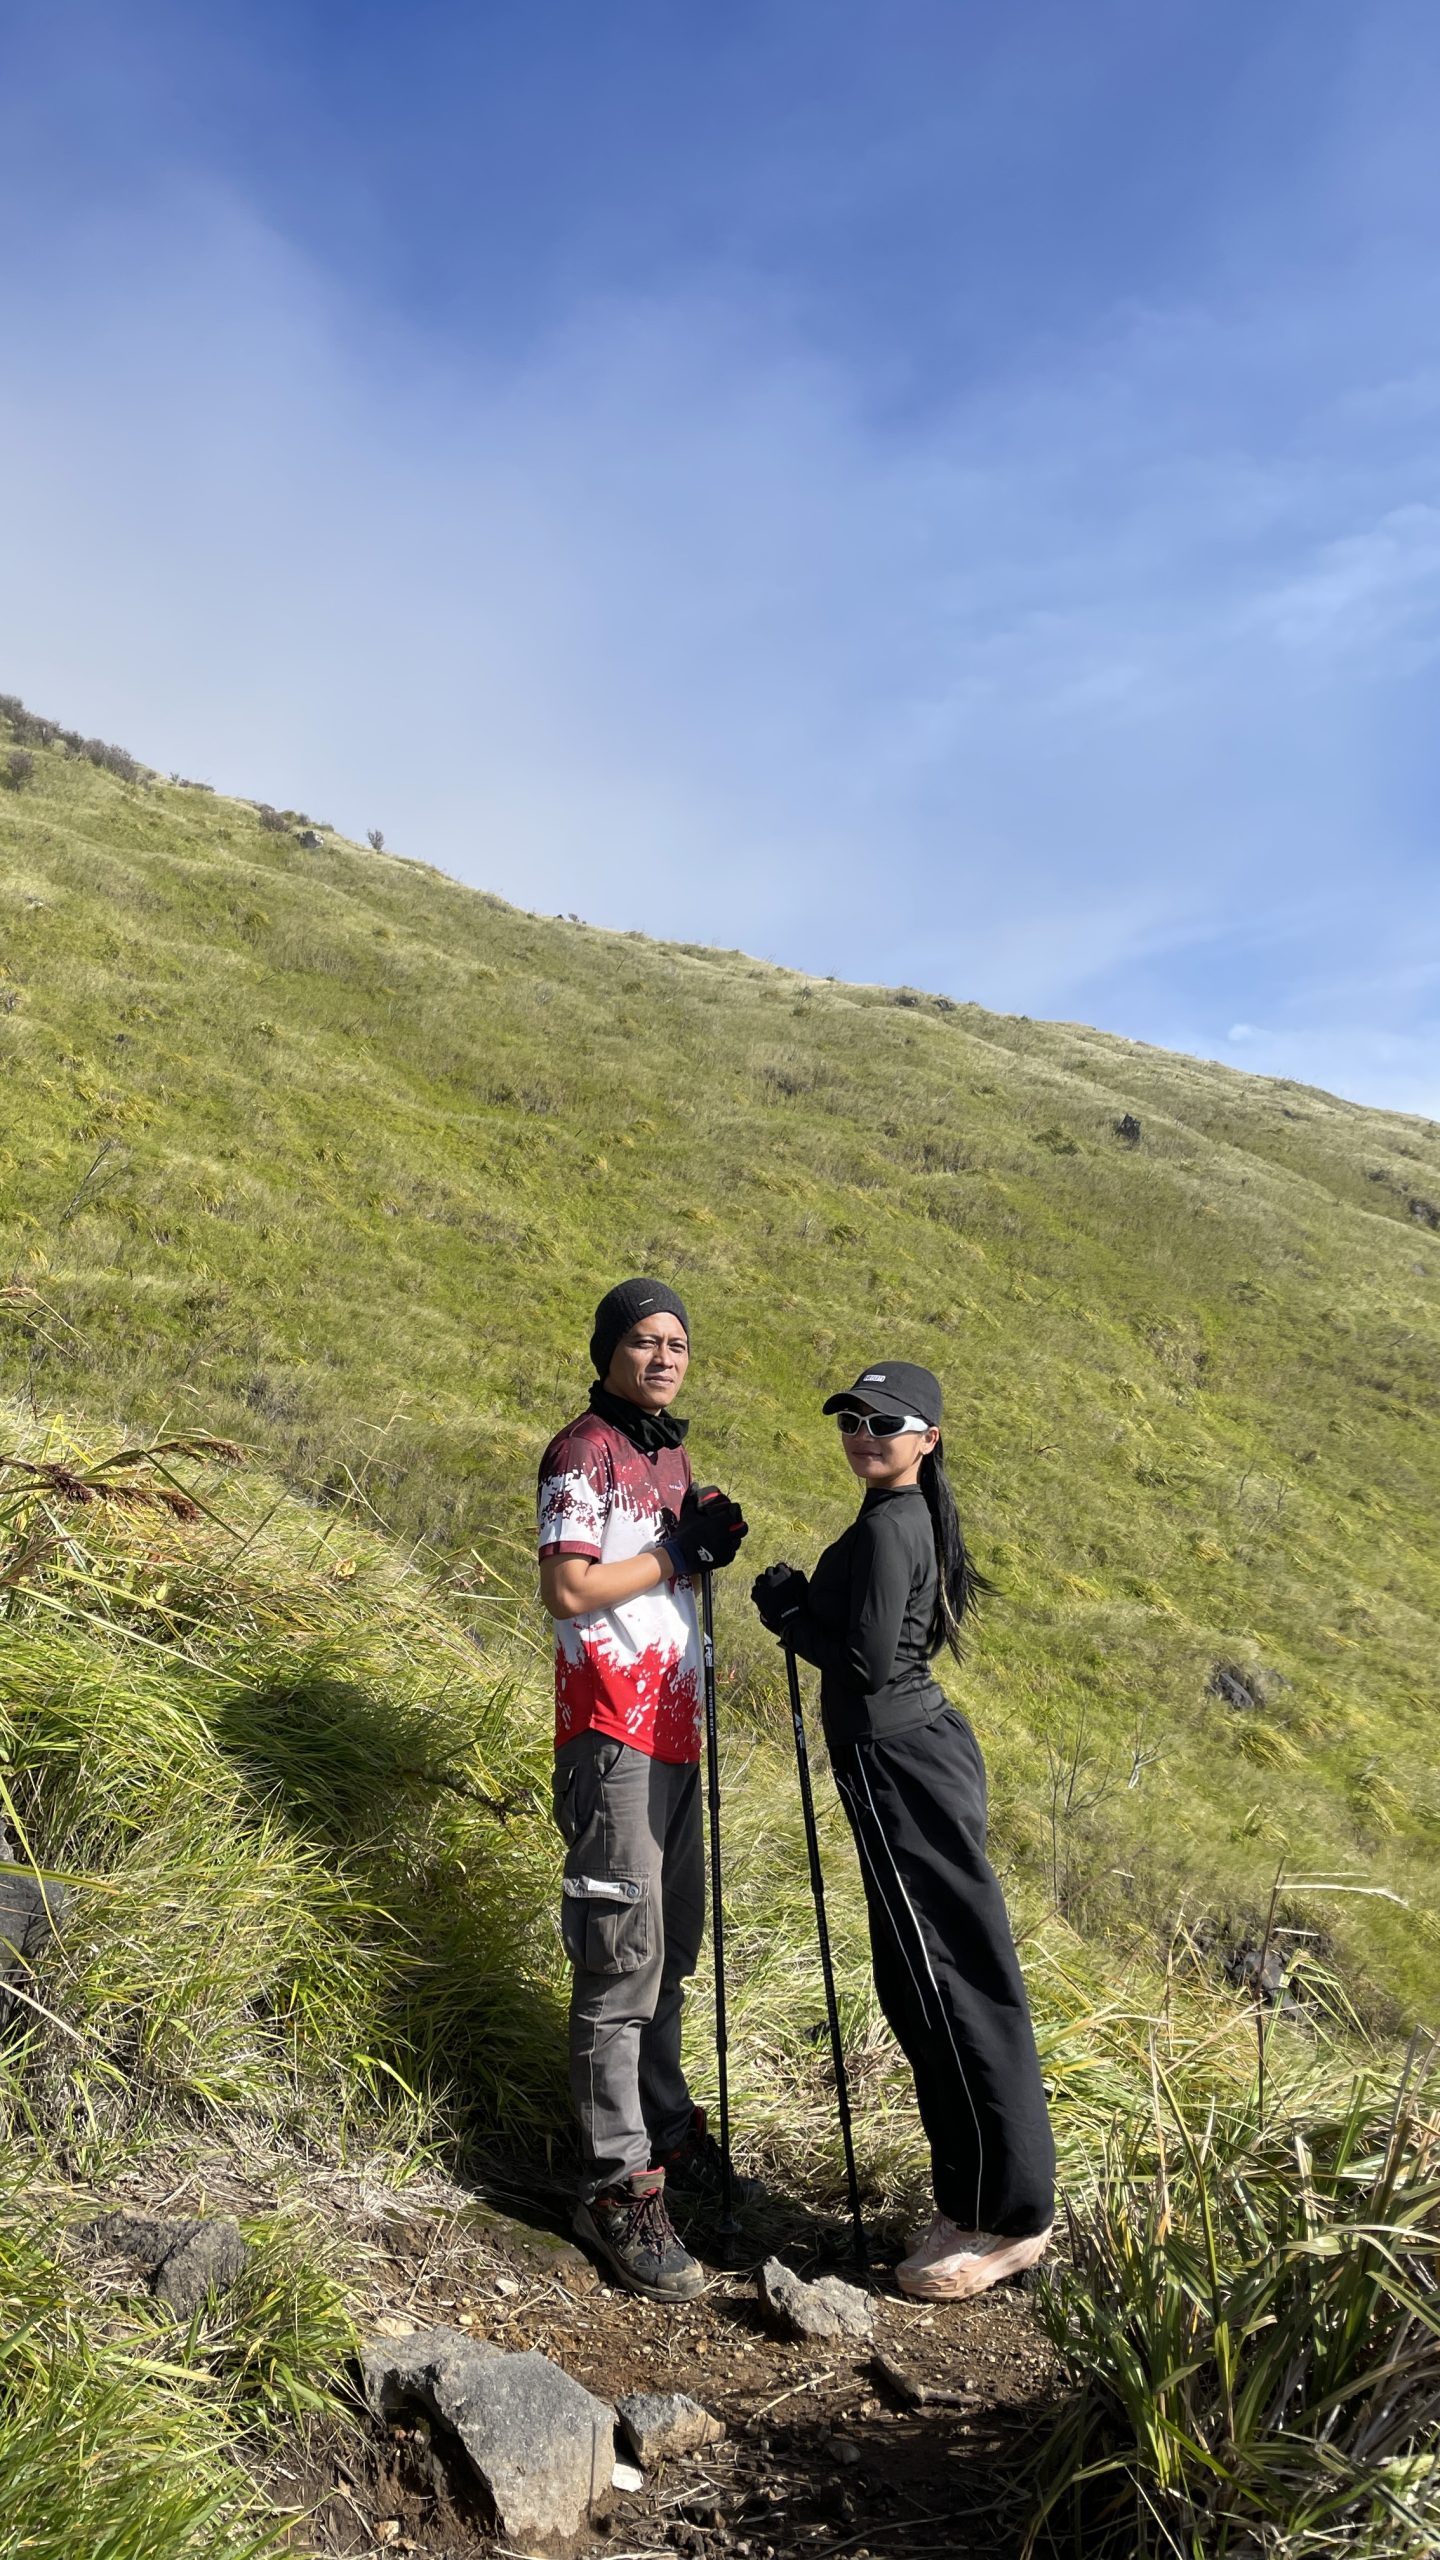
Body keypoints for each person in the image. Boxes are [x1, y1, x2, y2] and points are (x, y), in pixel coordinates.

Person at [751, 1360, 1054, 2301]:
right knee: (935, 1976)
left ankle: (1004, 2222)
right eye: (850, 1416)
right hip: (912, 1759)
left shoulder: (892, 1525)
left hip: (899, 1764)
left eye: (886, 1420)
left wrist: (787, 1611)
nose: (862, 1431)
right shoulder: (902, 1517)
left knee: (947, 1981)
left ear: (928, 1438)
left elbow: (870, 1665)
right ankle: (979, 2199)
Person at [538, 1278, 749, 2301]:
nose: (663, 1355)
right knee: (621, 1956)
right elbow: (570, 1586)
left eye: (677, 1341)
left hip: (671, 1730)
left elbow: (656, 1573)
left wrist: (693, 1538)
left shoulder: (664, 1447)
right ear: (608, 1349)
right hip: (610, 1731)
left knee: (670, 1949)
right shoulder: (585, 1449)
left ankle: (662, 2126)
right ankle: (614, 2180)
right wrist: (673, 1552)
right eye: (644, 1340)